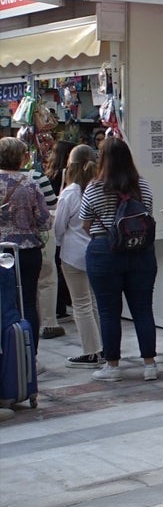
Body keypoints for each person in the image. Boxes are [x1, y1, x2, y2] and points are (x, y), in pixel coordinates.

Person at [78, 138, 158, 381]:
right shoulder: (142, 185)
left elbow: (85, 223)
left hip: (104, 252)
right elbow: (149, 216)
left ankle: (112, 366)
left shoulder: (94, 187)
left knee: (109, 311)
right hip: (141, 252)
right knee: (143, 310)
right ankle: (150, 365)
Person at [53, 145, 103, 368]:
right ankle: (102, 347)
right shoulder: (100, 188)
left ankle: (91, 351)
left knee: (81, 304)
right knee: (93, 303)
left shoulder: (70, 192)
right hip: (96, 251)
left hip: (73, 255)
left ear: (70, 166)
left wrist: (58, 243)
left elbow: (58, 227)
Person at [0, 138, 49, 350]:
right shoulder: (30, 183)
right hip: (27, 250)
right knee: (28, 301)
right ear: (21, 157)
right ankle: (29, 354)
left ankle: (6, 353)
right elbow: (44, 220)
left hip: (1, 251)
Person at [23, 146, 60, 340]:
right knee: (46, 279)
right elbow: (52, 206)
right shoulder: (36, 177)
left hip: (5, 246)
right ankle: (48, 323)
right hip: (37, 238)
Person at [47, 139, 75, 323]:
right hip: (65, 223)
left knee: (57, 265)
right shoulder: (68, 178)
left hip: (54, 222)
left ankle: (58, 306)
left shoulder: (49, 175)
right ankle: (62, 304)